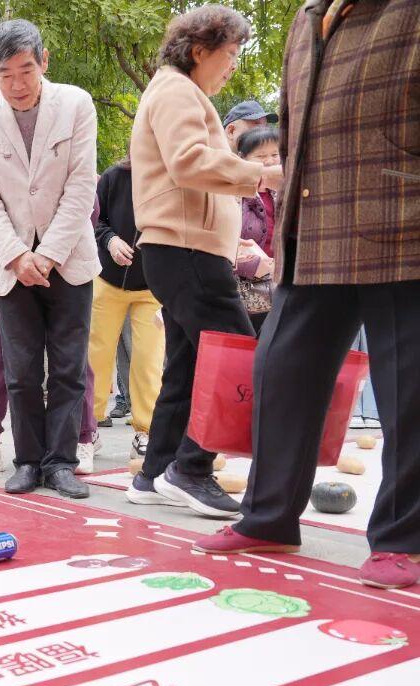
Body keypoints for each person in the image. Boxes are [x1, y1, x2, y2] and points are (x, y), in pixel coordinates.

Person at [196, 0, 420, 591]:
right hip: (313, 231)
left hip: (402, 223)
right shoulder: (308, 17)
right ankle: (269, 518)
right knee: (281, 373)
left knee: (409, 391)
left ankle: (403, 539)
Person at [127, 4, 283, 516]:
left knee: (188, 366)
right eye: (230, 54)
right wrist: (261, 174)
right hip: (186, 247)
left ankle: (154, 473)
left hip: (182, 248)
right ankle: (191, 469)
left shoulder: (178, 90)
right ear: (199, 51)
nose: (233, 65)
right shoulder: (177, 91)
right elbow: (189, 161)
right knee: (236, 356)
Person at [0, 19, 100, 498]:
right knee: (19, 371)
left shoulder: (76, 104)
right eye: (6, 74)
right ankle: (27, 461)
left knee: (68, 368)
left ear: (44, 61)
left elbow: (81, 185)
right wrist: (19, 255)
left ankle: (61, 462)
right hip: (10, 263)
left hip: (70, 259)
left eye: (26, 70)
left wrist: (50, 254)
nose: (17, 84)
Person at [89, 155, 164, 466]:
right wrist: (110, 241)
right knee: (96, 355)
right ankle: (87, 428)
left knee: (149, 359)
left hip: (153, 285)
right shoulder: (113, 176)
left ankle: (145, 431)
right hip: (107, 280)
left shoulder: (172, 177)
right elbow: (95, 221)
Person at [233, 125, 280, 333]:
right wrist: (255, 264)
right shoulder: (233, 195)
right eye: (261, 156)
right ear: (242, 159)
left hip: (282, 285)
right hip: (245, 287)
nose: (269, 161)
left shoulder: (286, 193)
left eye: (275, 155)